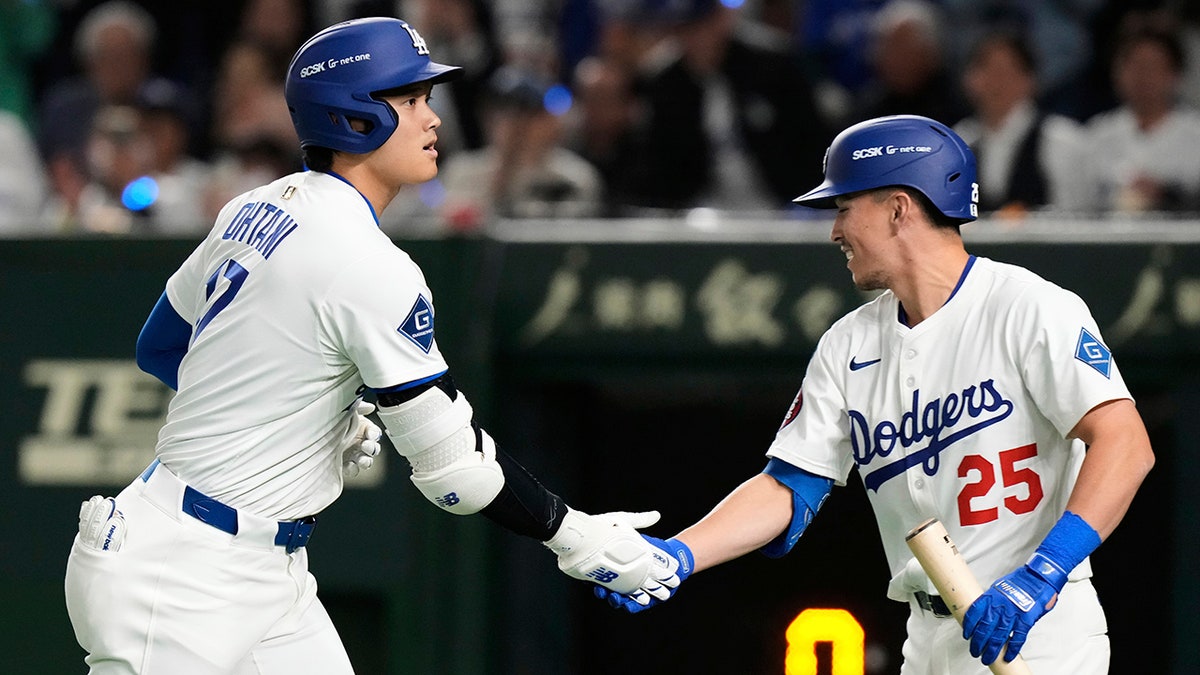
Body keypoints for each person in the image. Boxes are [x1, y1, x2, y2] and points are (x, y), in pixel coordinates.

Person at [63, 17, 680, 673]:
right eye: (410, 99)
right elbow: (454, 472)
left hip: (258, 568)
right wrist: (575, 534)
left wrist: (309, 405)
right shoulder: (368, 262)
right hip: (182, 578)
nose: (431, 118)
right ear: (352, 118)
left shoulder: (256, 204)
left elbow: (161, 346)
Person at [596, 115, 1155, 673]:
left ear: (898, 208)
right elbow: (790, 486)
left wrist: (1041, 575)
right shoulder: (849, 342)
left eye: (843, 208)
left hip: (1039, 630)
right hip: (927, 639)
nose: (835, 231)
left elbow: (1126, 445)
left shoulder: (1028, 306)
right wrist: (680, 555)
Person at [953, 31, 1088, 216]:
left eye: (1005, 72)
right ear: (969, 80)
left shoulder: (1059, 139)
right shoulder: (959, 142)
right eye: (986, 70)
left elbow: (1077, 219)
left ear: (1030, 79)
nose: (995, 83)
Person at [1078, 14, 1200, 214]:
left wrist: (1167, 194)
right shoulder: (1097, 135)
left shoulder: (1196, 134)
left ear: (1175, 74)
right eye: (1134, 66)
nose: (1143, 77)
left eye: (1153, 67)